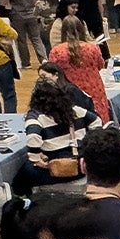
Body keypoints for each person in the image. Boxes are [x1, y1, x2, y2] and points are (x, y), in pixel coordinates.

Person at [17, 70, 101, 198]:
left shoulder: (36, 116)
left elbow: (33, 138)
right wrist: (88, 142)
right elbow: (96, 120)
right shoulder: (74, 110)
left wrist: (36, 159)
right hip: (81, 168)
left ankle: (25, 202)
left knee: (22, 175)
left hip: (56, 171)